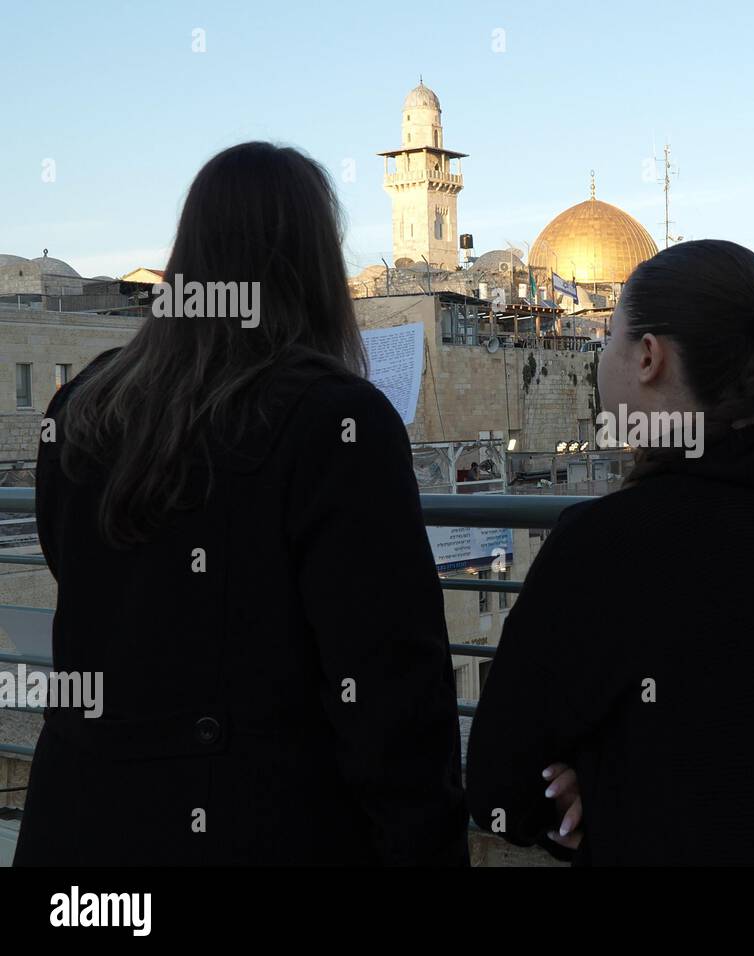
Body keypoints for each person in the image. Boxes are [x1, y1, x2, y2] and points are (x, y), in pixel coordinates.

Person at [14, 142, 468, 866]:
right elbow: (392, 693)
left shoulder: (82, 405)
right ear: (315, 263)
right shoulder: (337, 422)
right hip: (255, 827)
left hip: (81, 826)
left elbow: (77, 571)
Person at [466, 239, 754, 865]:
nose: (601, 357)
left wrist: (592, 788)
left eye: (609, 338)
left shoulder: (600, 546)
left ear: (648, 357)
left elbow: (498, 787)